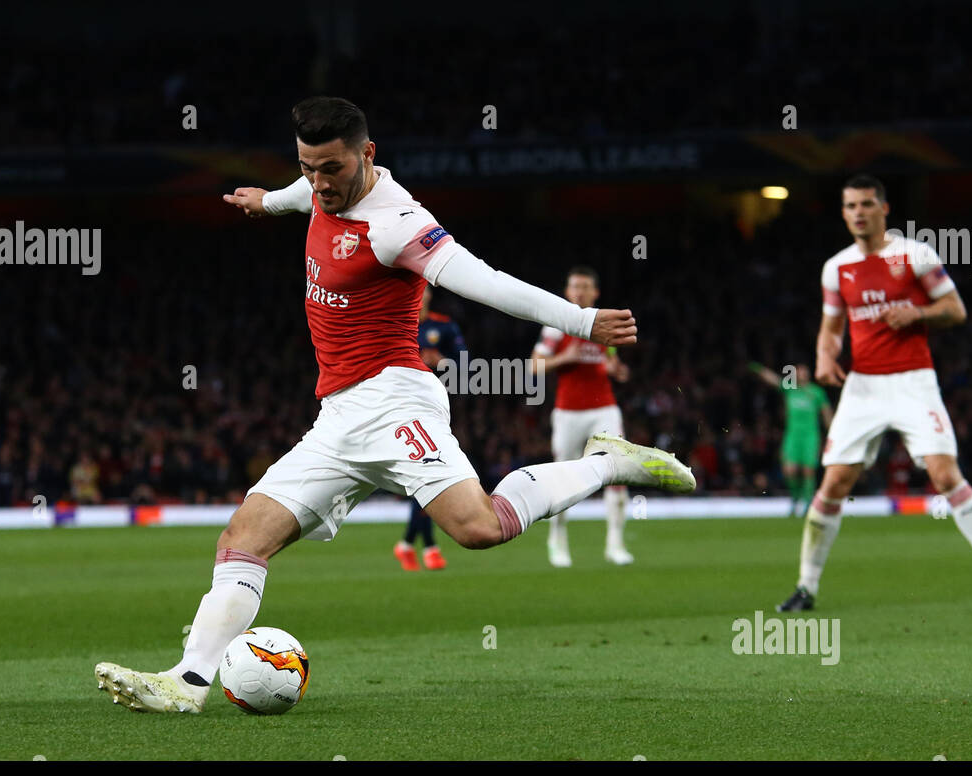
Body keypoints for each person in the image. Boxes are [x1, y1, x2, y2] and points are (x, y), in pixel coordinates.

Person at [96, 97, 694, 713]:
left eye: (331, 167)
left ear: (368, 155)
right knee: (243, 538)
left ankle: (606, 462)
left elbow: (489, 283)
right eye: (307, 166)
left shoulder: (399, 223)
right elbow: (301, 196)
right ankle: (188, 684)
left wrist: (582, 320)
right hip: (336, 415)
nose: (319, 183)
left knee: (479, 529)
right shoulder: (318, 188)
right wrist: (267, 201)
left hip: (395, 402)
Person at [776, 174, 972, 612]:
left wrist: (918, 311)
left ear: (883, 209)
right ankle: (806, 587)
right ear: (843, 212)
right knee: (835, 480)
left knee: (945, 475)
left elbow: (956, 310)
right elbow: (831, 329)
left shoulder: (914, 254)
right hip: (863, 386)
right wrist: (823, 356)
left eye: (866, 204)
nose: (858, 213)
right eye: (850, 206)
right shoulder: (836, 268)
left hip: (913, 380)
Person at [531, 265, 633, 566]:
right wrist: (566, 357)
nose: (579, 292)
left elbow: (610, 361)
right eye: (575, 286)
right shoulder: (555, 325)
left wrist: (616, 369)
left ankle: (615, 544)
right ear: (567, 291)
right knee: (563, 478)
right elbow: (533, 365)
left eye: (585, 287)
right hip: (569, 412)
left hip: (604, 407)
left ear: (595, 292)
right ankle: (557, 540)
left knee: (617, 471)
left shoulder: (603, 324)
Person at [393, 286, 466, 571]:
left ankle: (412, 545)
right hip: (401, 408)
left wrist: (442, 363)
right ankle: (427, 548)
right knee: (425, 473)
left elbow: (466, 367)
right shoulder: (393, 325)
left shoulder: (443, 327)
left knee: (424, 475)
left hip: (436, 408)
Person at [746, 362, 832, 516]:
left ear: (809, 374)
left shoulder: (816, 393)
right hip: (792, 436)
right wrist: (758, 369)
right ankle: (795, 498)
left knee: (808, 471)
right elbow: (773, 379)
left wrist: (832, 434)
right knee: (790, 471)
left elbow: (826, 414)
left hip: (810, 437)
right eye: (798, 372)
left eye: (804, 371)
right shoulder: (790, 389)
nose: (801, 374)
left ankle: (806, 503)